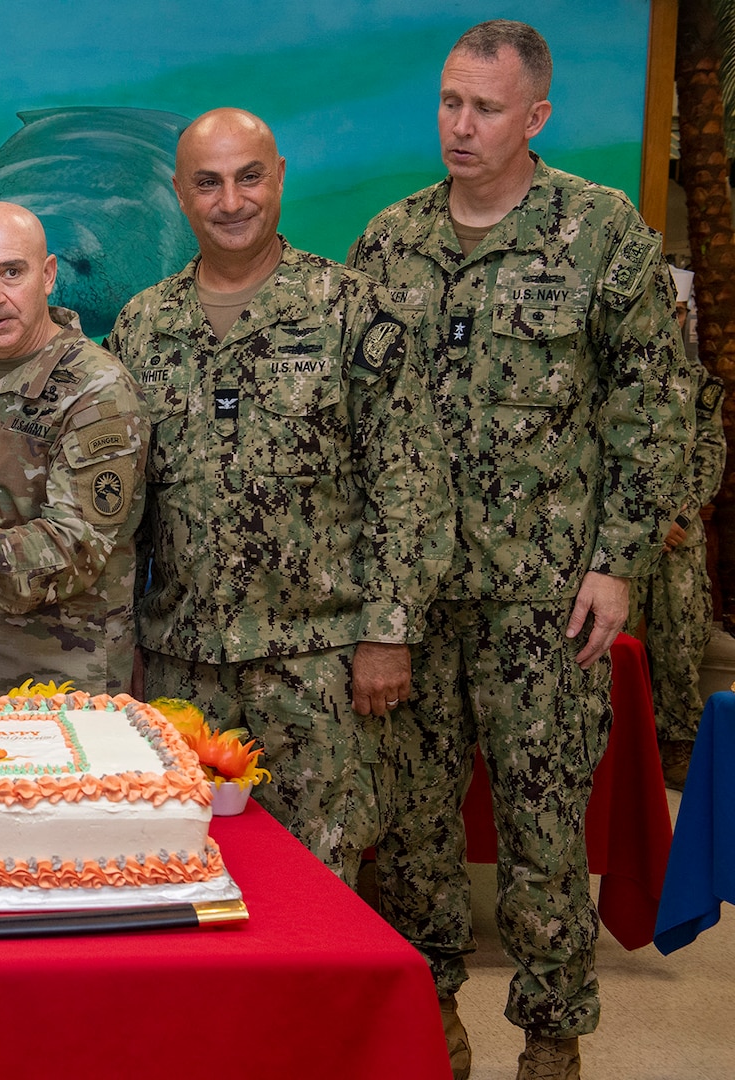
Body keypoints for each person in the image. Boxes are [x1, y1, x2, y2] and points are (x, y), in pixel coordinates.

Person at [347, 21, 693, 1078]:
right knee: (413, 838)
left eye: (485, 109)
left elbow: (661, 404)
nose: (460, 125)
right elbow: (354, 426)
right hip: (418, 603)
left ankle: (552, 1042)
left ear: (535, 116)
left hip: (550, 607)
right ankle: (435, 1024)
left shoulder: (601, 234)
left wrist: (620, 561)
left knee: (545, 837)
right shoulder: (387, 241)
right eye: (450, 102)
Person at [105, 108, 451, 887]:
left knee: (317, 887)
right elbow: (127, 512)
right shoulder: (142, 324)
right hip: (181, 666)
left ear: (280, 177)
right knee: (181, 875)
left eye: (249, 177)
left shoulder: (352, 311)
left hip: (319, 666)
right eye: (209, 183)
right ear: (180, 196)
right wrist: (122, 644)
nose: (231, 201)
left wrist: (387, 635)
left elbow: (409, 484)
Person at [0, 201, 148, 694]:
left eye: (12, 272)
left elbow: (76, 547)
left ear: (48, 275)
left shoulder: (97, 390)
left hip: (64, 683)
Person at [628, 267, 725, 791]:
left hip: (678, 542)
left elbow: (708, 455)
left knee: (679, 643)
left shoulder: (701, 386)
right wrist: (644, 517)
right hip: (620, 538)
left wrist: (678, 516)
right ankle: (615, 750)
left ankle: (679, 747)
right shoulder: (612, 373)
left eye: (681, 311)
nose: (672, 318)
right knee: (609, 645)